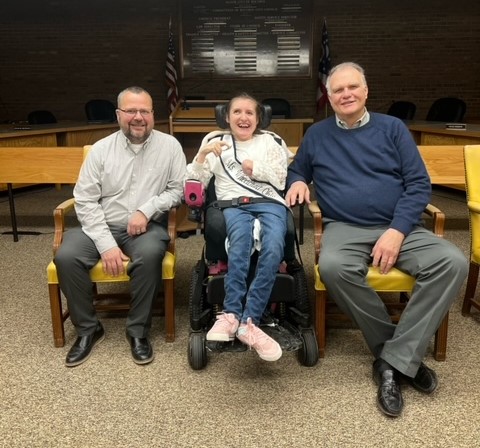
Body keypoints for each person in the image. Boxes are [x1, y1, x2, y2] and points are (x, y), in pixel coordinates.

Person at [286, 62, 468, 417]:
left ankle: (391, 362)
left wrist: (397, 230)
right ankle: (401, 355)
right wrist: (297, 180)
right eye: (338, 90)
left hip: (400, 226)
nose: (346, 94)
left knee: (452, 261)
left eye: (352, 87)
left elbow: (418, 185)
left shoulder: (393, 129)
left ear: (366, 91)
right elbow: (299, 168)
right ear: (330, 96)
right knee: (335, 267)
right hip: (346, 227)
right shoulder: (318, 134)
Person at [55, 86, 186, 367]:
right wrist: (106, 244)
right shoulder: (101, 150)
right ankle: (88, 330)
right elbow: (85, 200)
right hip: (101, 225)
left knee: (151, 254)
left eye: (145, 111)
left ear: (153, 114)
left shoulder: (170, 146)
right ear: (118, 115)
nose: (138, 117)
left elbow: (178, 190)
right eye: (131, 111)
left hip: (146, 227)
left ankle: (138, 331)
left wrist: (146, 210)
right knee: (66, 256)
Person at [185, 93, 289, 362]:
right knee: (240, 241)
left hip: (269, 202)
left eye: (250, 113)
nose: (243, 117)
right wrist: (202, 155)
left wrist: (256, 168)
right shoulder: (213, 140)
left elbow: (280, 177)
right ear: (227, 117)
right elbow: (194, 181)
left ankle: (249, 322)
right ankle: (231, 315)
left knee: (274, 244)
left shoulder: (272, 140)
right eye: (237, 112)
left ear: (259, 118)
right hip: (232, 204)